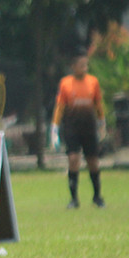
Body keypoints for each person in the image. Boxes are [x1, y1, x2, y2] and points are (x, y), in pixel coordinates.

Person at [51, 54, 106, 208]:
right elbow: (60, 107)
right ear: (73, 66)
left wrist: (102, 123)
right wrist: (54, 128)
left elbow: (98, 104)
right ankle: (74, 199)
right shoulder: (65, 83)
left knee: (93, 162)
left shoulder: (93, 82)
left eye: (86, 65)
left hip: (89, 128)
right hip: (72, 128)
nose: (84, 68)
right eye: (81, 65)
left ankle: (97, 197)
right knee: (73, 160)